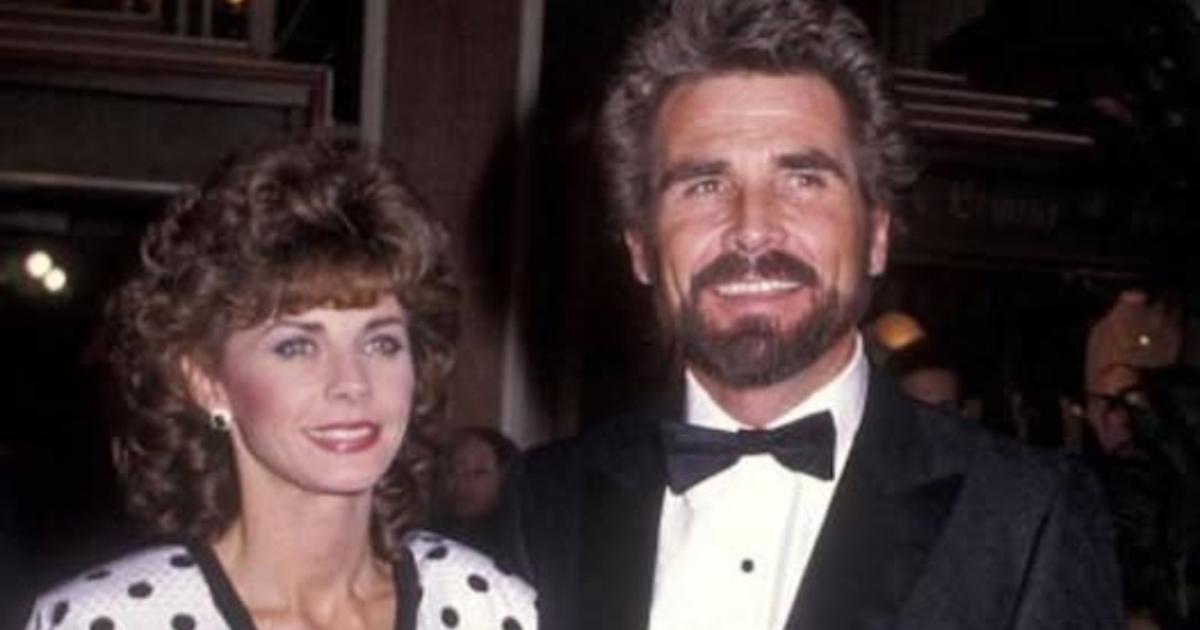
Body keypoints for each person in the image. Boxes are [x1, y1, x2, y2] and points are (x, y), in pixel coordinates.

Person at [497, 1, 1123, 629]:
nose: (752, 228)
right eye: (705, 185)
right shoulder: (544, 501)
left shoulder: (1025, 516)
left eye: (802, 180)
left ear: (877, 235)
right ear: (640, 248)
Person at [22, 139, 535, 630]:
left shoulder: (489, 606)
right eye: (296, 346)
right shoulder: (107, 621)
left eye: (380, 343)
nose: (352, 382)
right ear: (207, 381)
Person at [433, 426, 521, 555]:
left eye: (479, 473)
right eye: (451, 471)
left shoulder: (519, 543)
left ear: (505, 476)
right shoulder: (432, 535)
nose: (460, 483)